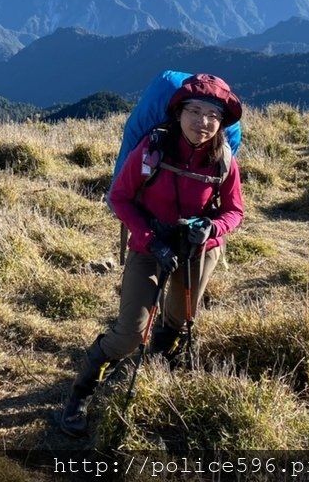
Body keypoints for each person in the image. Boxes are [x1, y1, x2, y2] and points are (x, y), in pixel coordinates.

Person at [59, 73, 245, 438]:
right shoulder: (152, 149)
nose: (203, 122)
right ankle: (80, 393)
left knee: (179, 317)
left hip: (197, 250)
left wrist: (212, 229)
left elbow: (234, 211)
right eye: (195, 111)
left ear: (222, 122)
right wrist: (150, 239)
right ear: (178, 113)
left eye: (212, 115)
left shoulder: (223, 160)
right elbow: (120, 197)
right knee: (129, 335)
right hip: (149, 247)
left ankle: (161, 359)